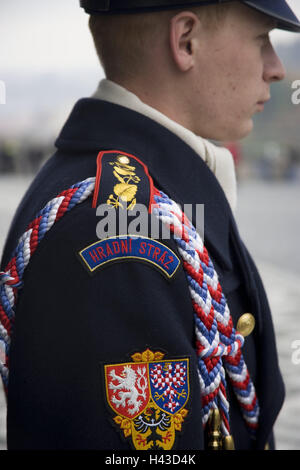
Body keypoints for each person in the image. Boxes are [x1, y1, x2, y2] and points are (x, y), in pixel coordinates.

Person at [0, 0, 299, 451]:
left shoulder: (150, 196)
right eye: (261, 40)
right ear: (185, 42)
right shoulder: (123, 236)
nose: (276, 69)